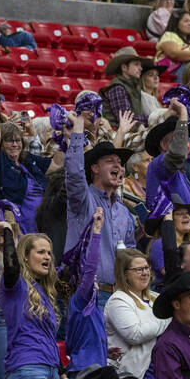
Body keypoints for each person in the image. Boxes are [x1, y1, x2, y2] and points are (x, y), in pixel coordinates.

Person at [0, 214, 74, 379]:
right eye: (41, 252)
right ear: (25, 256)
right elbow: (10, 264)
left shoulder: (44, 290)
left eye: (49, 253)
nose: (47, 257)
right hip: (27, 367)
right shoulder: (15, 285)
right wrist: (9, 232)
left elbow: (49, 339)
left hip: (50, 371)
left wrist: (62, 375)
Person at [65, 111, 135, 299]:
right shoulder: (83, 199)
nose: (117, 166)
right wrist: (79, 127)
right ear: (95, 168)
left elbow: (129, 253)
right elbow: (74, 173)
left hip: (121, 297)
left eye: (119, 163)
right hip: (88, 294)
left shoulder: (123, 212)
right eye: (110, 161)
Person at [104, 249, 169, 379]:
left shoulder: (157, 298)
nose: (145, 272)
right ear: (124, 275)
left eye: (146, 267)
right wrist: (166, 319)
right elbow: (135, 334)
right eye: (138, 269)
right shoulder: (119, 300)